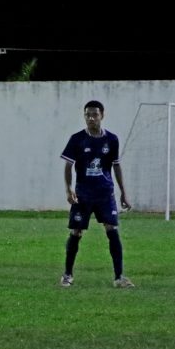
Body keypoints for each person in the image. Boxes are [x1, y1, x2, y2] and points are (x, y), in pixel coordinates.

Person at [60, 100, 135, 288]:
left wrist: (123, 193)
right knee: (76, 232)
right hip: (83, 195)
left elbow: (116, 166)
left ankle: (119, 277)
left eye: (94, 114)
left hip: (105, 194)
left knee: (112, 230)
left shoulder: (112, 140)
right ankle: (67, 275)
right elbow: (68, 166)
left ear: (102, 115)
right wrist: (68, 189)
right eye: (87, 115)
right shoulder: (77, 139)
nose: (91, 118)